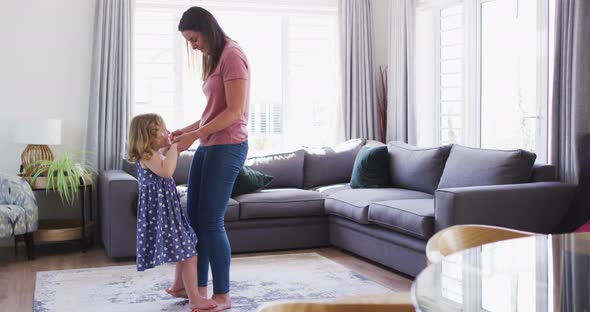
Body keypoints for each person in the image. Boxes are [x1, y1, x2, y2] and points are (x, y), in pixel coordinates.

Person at [171, 6, 250, 312]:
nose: (192, 46)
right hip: (210, 143)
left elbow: (234, 112)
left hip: (228, 146)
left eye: (193, 39)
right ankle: (197, 290)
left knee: (211, 221)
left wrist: (193, 136)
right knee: (194, 217)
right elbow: (213, 112)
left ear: (206, 29)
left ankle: (223, 295)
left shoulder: (232, 55)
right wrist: (186, 131)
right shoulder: (215, 57)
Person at [127, 113, 217, 311]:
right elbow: (167, 171)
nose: (168, 133)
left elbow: (165, 164)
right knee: (189, 254)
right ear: (149, 136)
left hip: (169, 213)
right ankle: (195, 299)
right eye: (163, 130)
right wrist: (175, 147)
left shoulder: (153, 153)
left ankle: (178, 287)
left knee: (185, 247)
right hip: (162, 216)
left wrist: (169, 147)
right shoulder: (147, 155)